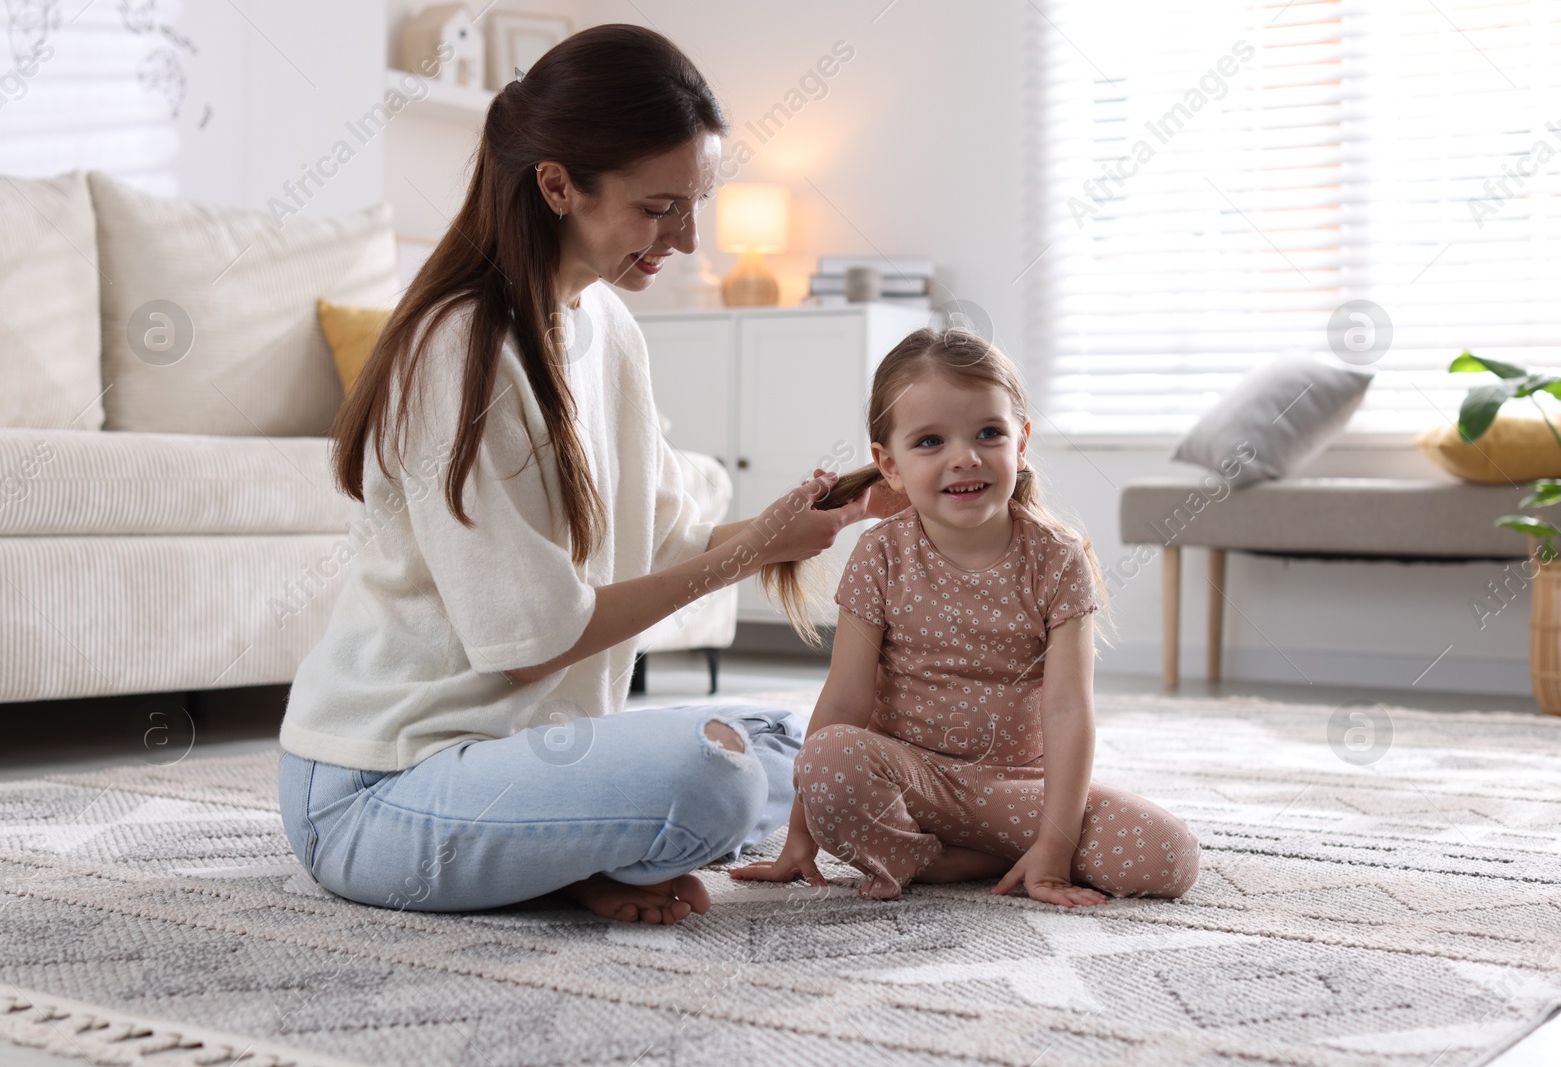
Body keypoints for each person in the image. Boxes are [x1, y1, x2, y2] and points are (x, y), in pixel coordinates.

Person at [276, 24, 896, 925]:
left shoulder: (606, 326)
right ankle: (582, 847)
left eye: (695, 204)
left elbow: (667, 542)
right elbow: (533, 645)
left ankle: (576, 849)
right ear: (558, 184)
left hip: (530, 753)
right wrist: (754, 549)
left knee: (807, 745)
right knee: (714, 777)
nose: (685, 238)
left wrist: (824, 515)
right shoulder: (463, 350)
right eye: (658, 207)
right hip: (380, 791)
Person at [732, 328, 1202, 905]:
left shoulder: (1058, 556)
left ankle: (976, 855)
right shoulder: (880, 553)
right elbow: (844, 704)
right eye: (930, 441)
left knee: (1168, 858)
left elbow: (1068, 710)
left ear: (1021, 443)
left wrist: (1056, 847)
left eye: (988, 433)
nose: (965, 457)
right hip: (908, 778)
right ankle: (942, 859)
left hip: (1016, 787)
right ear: (890, 464)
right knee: (829, 759)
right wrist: (799, 835)